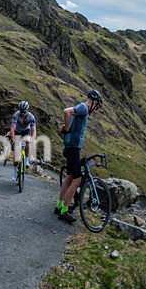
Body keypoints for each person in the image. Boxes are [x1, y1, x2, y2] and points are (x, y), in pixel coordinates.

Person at [56, 89, 103, 223]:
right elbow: (66, 111)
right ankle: (64, 211)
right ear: (94, 102)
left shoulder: (82, 109)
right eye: (97, 107)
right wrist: (67, 128)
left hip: (71, 146)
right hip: (74, 147)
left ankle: (59, 206)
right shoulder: (84, 108)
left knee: (69, 178)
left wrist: (68, 128)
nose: (96, 110)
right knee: (77, 181)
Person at [10, 101, 37, 181]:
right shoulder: (16, 115)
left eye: (24, 112)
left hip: (26, 131)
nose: (22, 114)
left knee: (28, 141)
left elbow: (34, 131)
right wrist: (13, 138)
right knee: (17, 155)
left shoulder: (31, 117)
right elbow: (12, 129)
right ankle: (15, 171)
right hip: (17, 131)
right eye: (21, 112)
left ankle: (26, 160)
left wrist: (33, 139)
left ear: (27, 110)